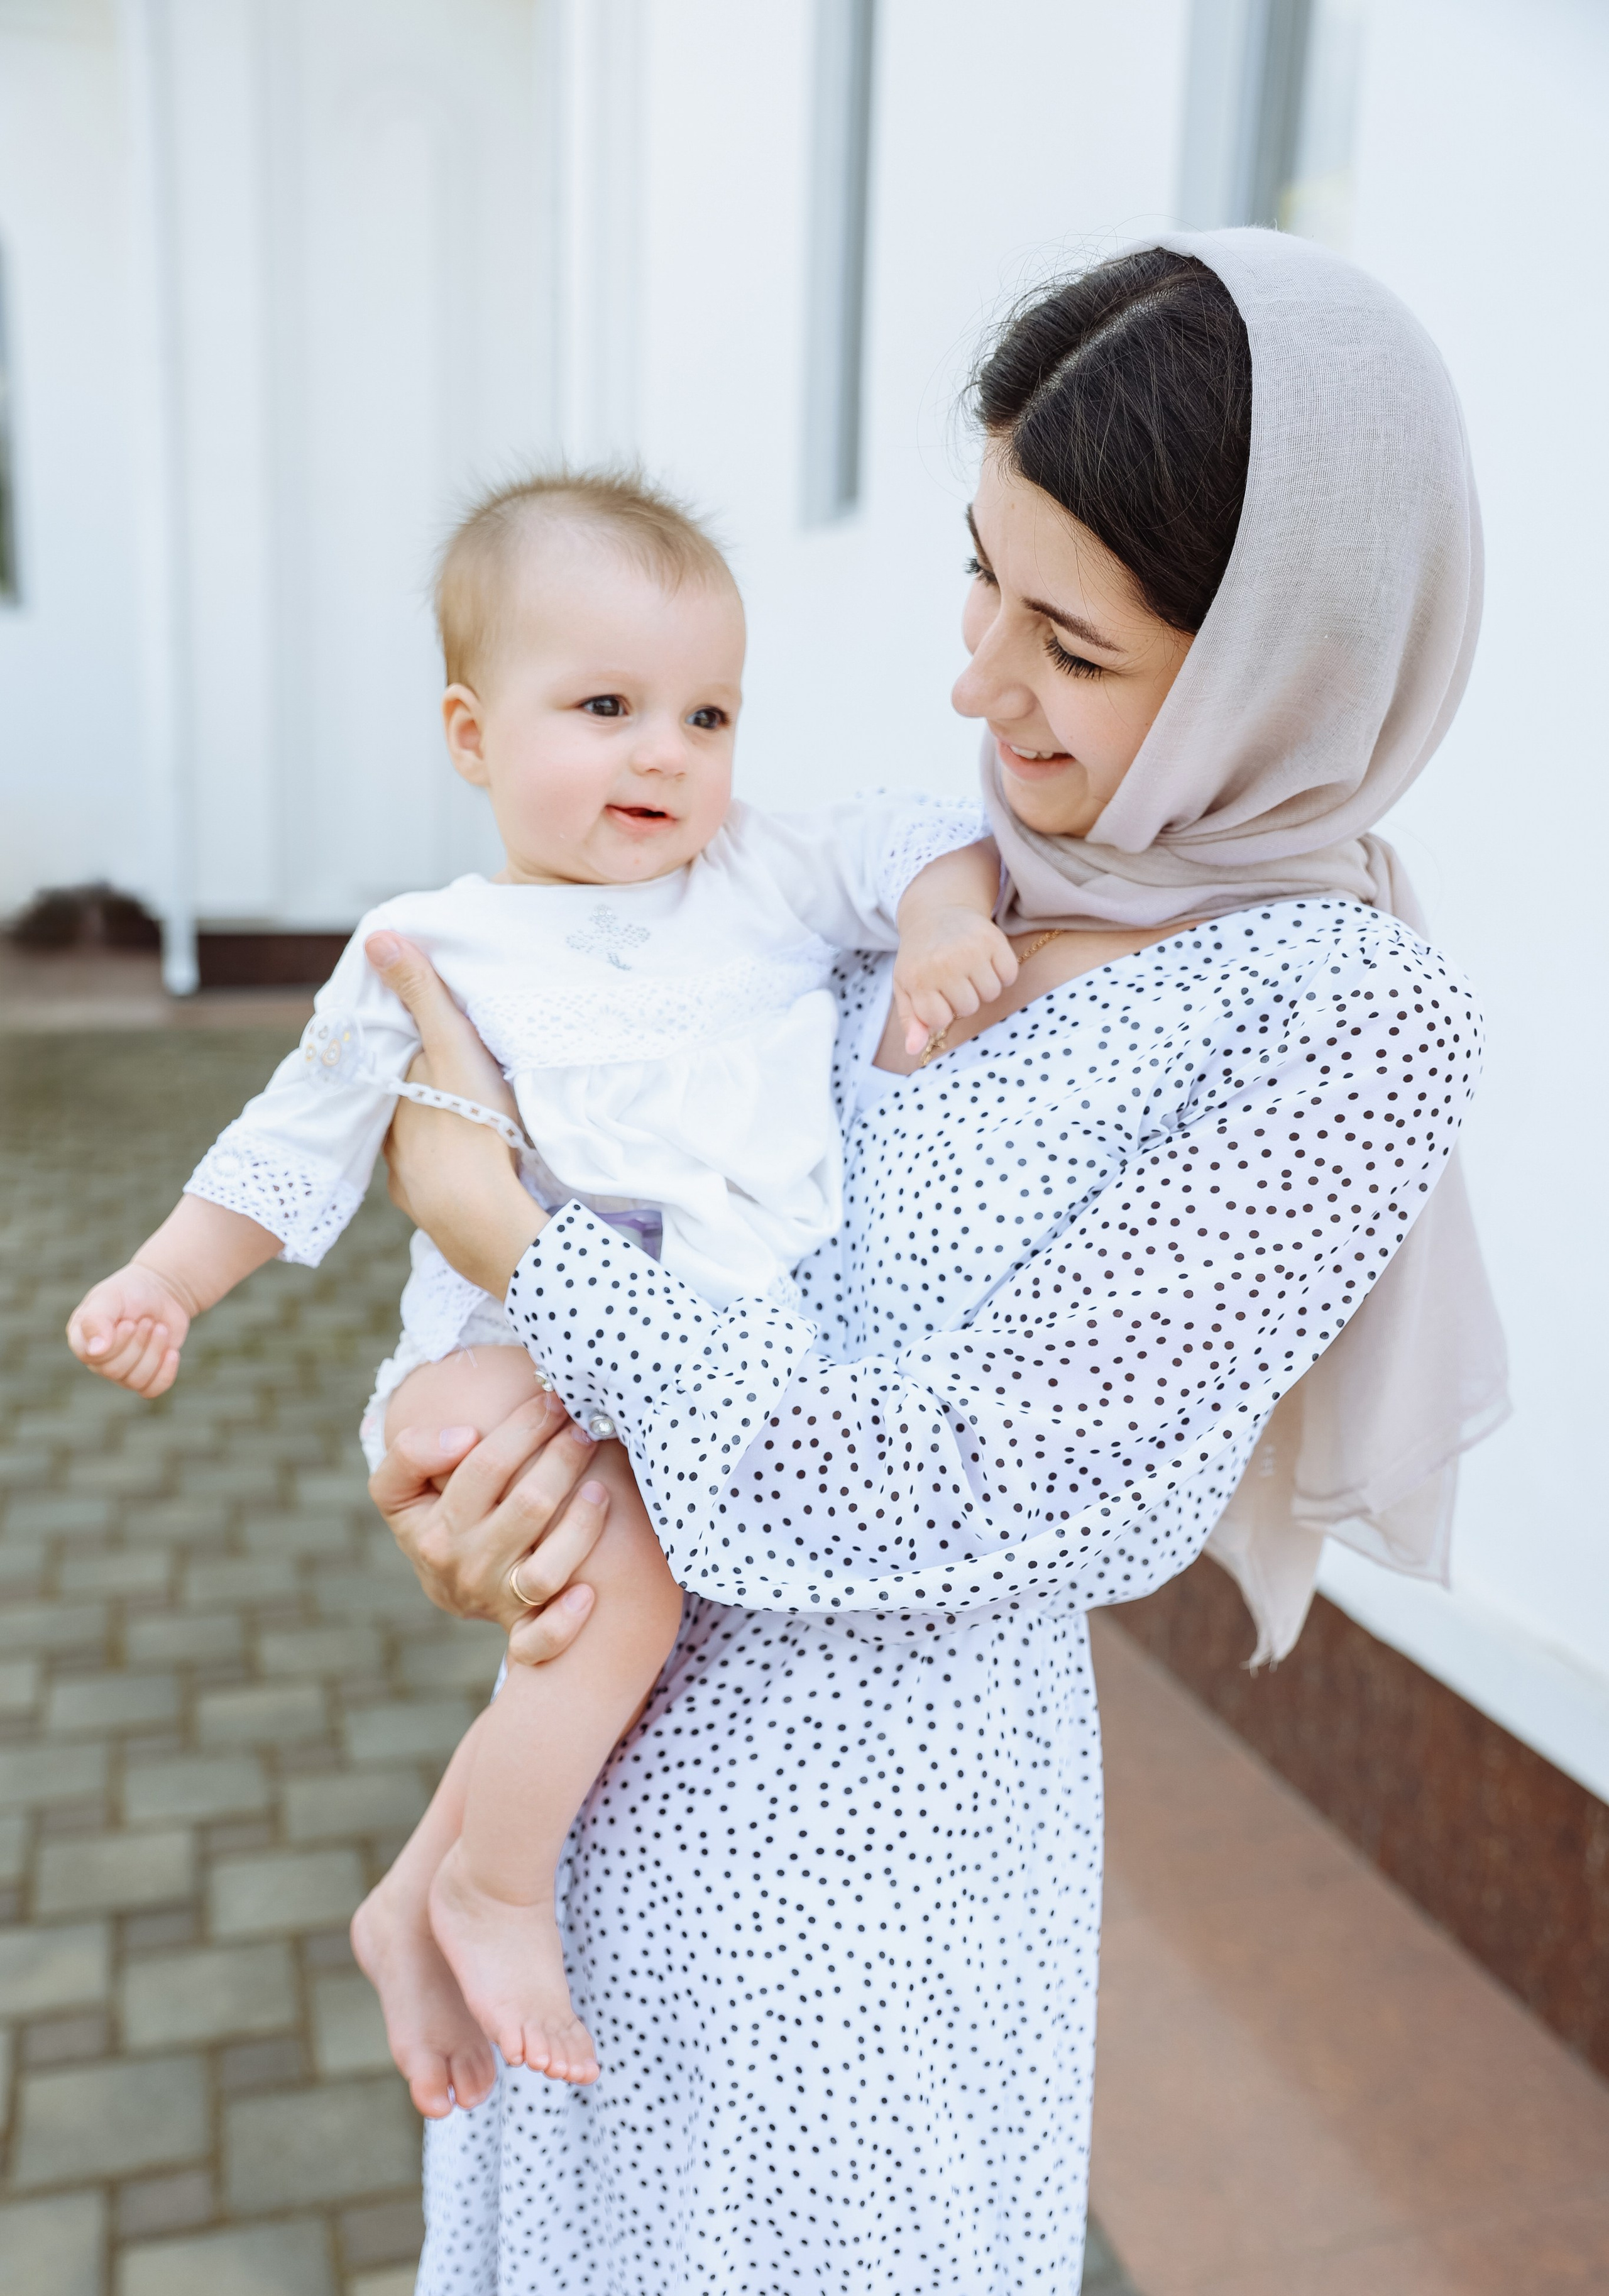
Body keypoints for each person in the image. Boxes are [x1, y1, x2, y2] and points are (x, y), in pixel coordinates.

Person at [361, 233, 1510, 2296]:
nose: (981, 685)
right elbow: (637, 1194)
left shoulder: (1338, 1023)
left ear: (1285, 666)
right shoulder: (928, 873)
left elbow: (942, 1485)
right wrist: (452, 1481)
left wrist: (515, 1244)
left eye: (1072, 645)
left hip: (860, 1943)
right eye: (982, 578)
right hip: (571, 1815)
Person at [62, 469, 1014, 2084]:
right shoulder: (428, 948)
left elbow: (922, 840)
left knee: (605, 1597)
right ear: (471, 734)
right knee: (621, 1571)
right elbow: (294, 1140)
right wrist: (167, 1281)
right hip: (494, 1356)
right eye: (606, 707)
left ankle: (415, 1892)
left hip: (690, 1365)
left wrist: (934, 932)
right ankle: (491, 1892)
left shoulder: (756, 876)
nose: (667, 752)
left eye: (707, 715)